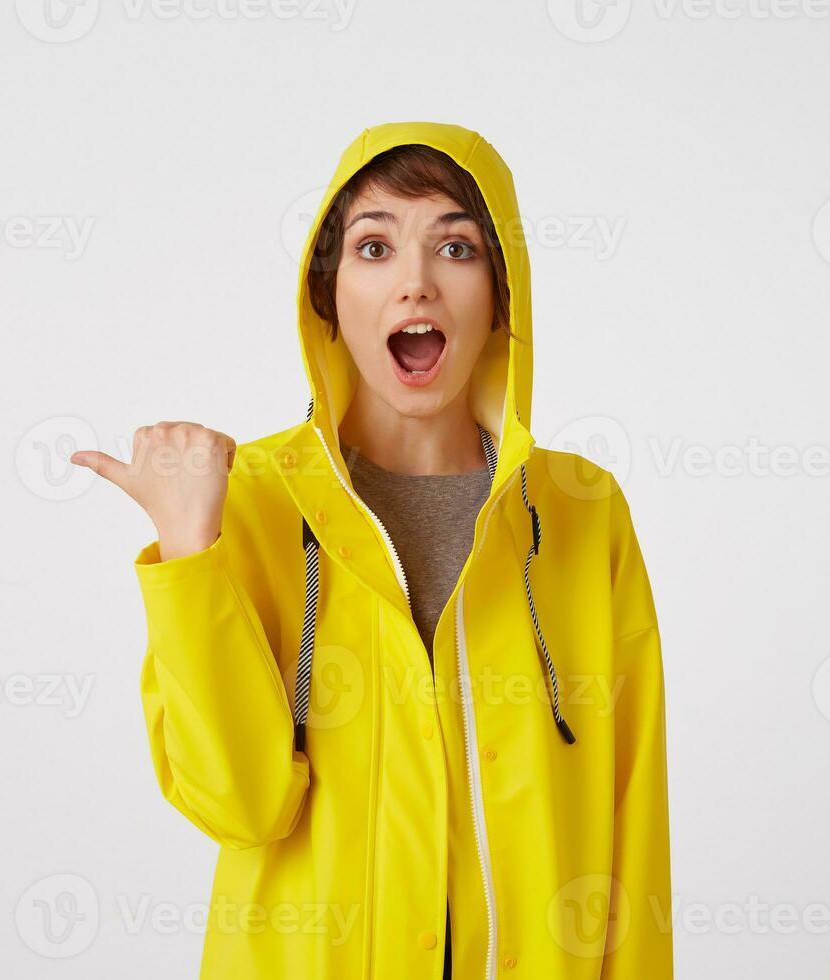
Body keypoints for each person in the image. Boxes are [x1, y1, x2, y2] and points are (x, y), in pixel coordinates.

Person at [71, 121, 672, 979]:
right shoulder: (248, 499)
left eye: (456, 247)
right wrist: (187, 549)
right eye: (376, 246)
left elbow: (633, 816)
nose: (415, 285)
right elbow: (241, 805)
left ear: (504, 296)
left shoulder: (581, 511)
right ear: (329, 297)